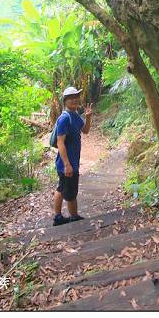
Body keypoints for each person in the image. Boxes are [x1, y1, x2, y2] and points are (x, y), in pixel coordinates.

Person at [53, 86, 92, 226]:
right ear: (65, 101)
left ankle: (58, 217)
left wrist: (88, 118)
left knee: (62, 188)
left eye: (77, 96)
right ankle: (73, 217)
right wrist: (67, 165)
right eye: (71, 97)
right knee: (69, 192)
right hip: (66, 163)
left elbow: (85, 131)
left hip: (71, 162)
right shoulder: (64, 119)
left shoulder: (75, 115)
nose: (75, 99)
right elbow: (60, 143)